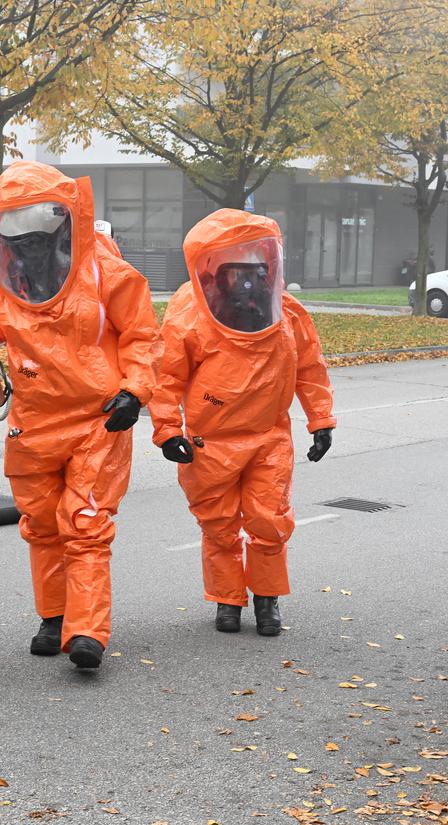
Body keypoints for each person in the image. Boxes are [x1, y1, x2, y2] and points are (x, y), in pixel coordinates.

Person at [0, 161, 159, 669]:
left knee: (85, 522)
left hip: (97, 419)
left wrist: (135, 392)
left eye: (38, 242)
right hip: (34, 419)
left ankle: (86, 630)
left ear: (64, 228)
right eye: (18, 244)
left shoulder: (108, 274)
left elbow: (141, 338)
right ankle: (54, 615)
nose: (28, 253)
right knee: (42, 524)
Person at [150, 209, 335, 636]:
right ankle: (227, 600)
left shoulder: (288, 314)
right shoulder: (190, 312)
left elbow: (310, 367)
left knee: (269, 520)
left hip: (269, 436)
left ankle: (267, 600)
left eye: (254, 270)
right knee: (218, 526)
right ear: (215, 272)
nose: (248, 282)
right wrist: (167, 430)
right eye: (238, 272)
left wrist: (320, 419)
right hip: (209, 440)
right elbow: (168, 376)